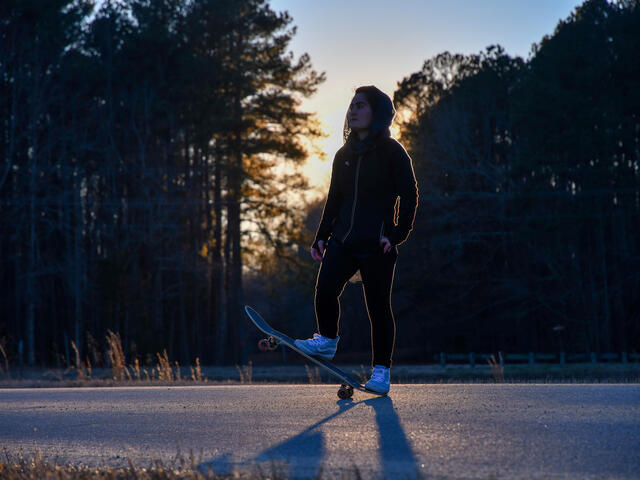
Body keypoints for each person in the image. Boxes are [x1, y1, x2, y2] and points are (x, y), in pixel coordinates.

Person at [294, 85, 419, 394]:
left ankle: (381, 373)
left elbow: (410, 194)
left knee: (378, 309)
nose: (353, 110)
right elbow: (334, 199)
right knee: (324, 291)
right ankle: (326, 340)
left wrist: (396, 235)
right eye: (351, 106)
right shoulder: (343, 155)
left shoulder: (394, 152)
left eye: (360, 106)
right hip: (342, 242)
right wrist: (321, 236)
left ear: (377, 113)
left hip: (377, 245)